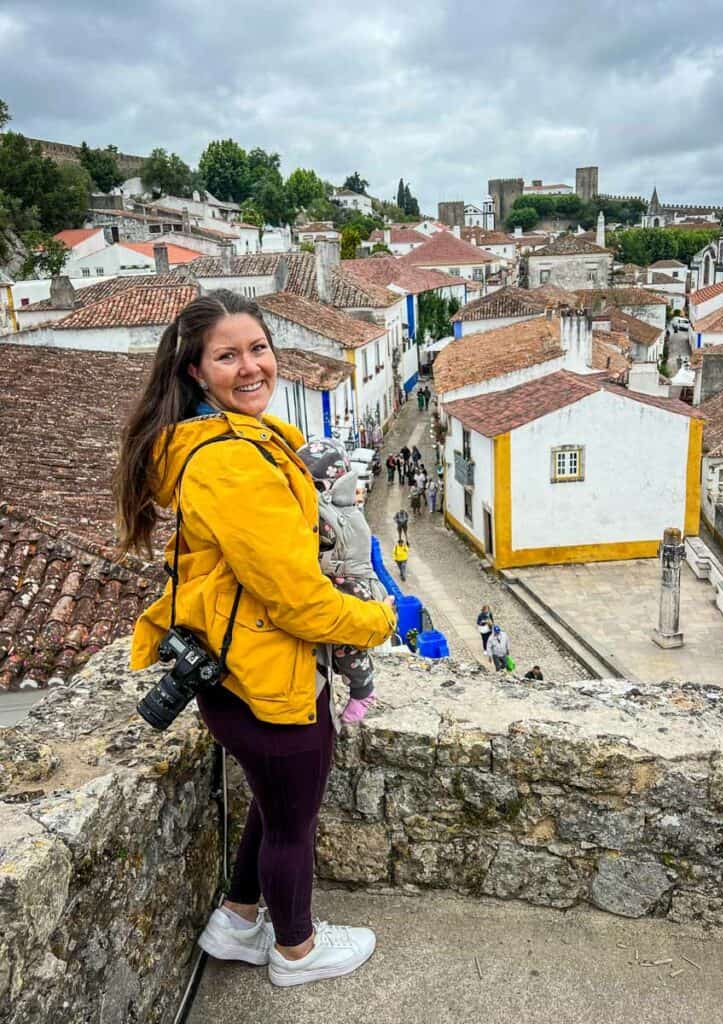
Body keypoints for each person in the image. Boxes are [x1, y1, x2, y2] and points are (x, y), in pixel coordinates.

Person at [116, 291, 396, 988]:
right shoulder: (231, 463)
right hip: (267, 676)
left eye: (257, 349)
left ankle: (239, 921)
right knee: (292, 824)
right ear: (195, 372)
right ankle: (295, 953)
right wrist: (377, 621)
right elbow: (296, 599)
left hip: (235, 670)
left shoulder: (233, 440)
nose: (250, 367)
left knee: (275, 809)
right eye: (227, 356)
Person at [297, 438, 388, 725]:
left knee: (346, 643)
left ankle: (363, 691)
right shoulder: (342, 505)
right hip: (348, 582)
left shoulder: (328, 513)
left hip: (350, 587)